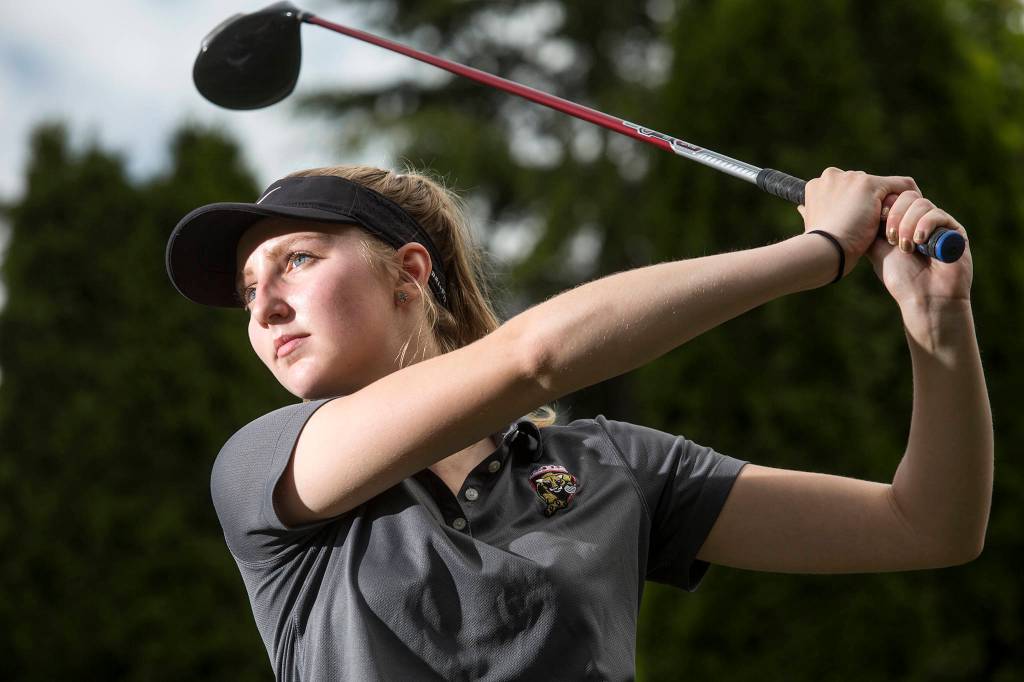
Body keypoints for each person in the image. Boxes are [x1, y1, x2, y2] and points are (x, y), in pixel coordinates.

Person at [165, 164, 992, 681]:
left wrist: (937, 323)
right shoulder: (264, 466)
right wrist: (819, 251)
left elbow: (928, 526)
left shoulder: (611, 466)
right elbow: (535, 359)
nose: (265, 304)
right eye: (248, 290)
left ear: (408, 274)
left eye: (297, 259)